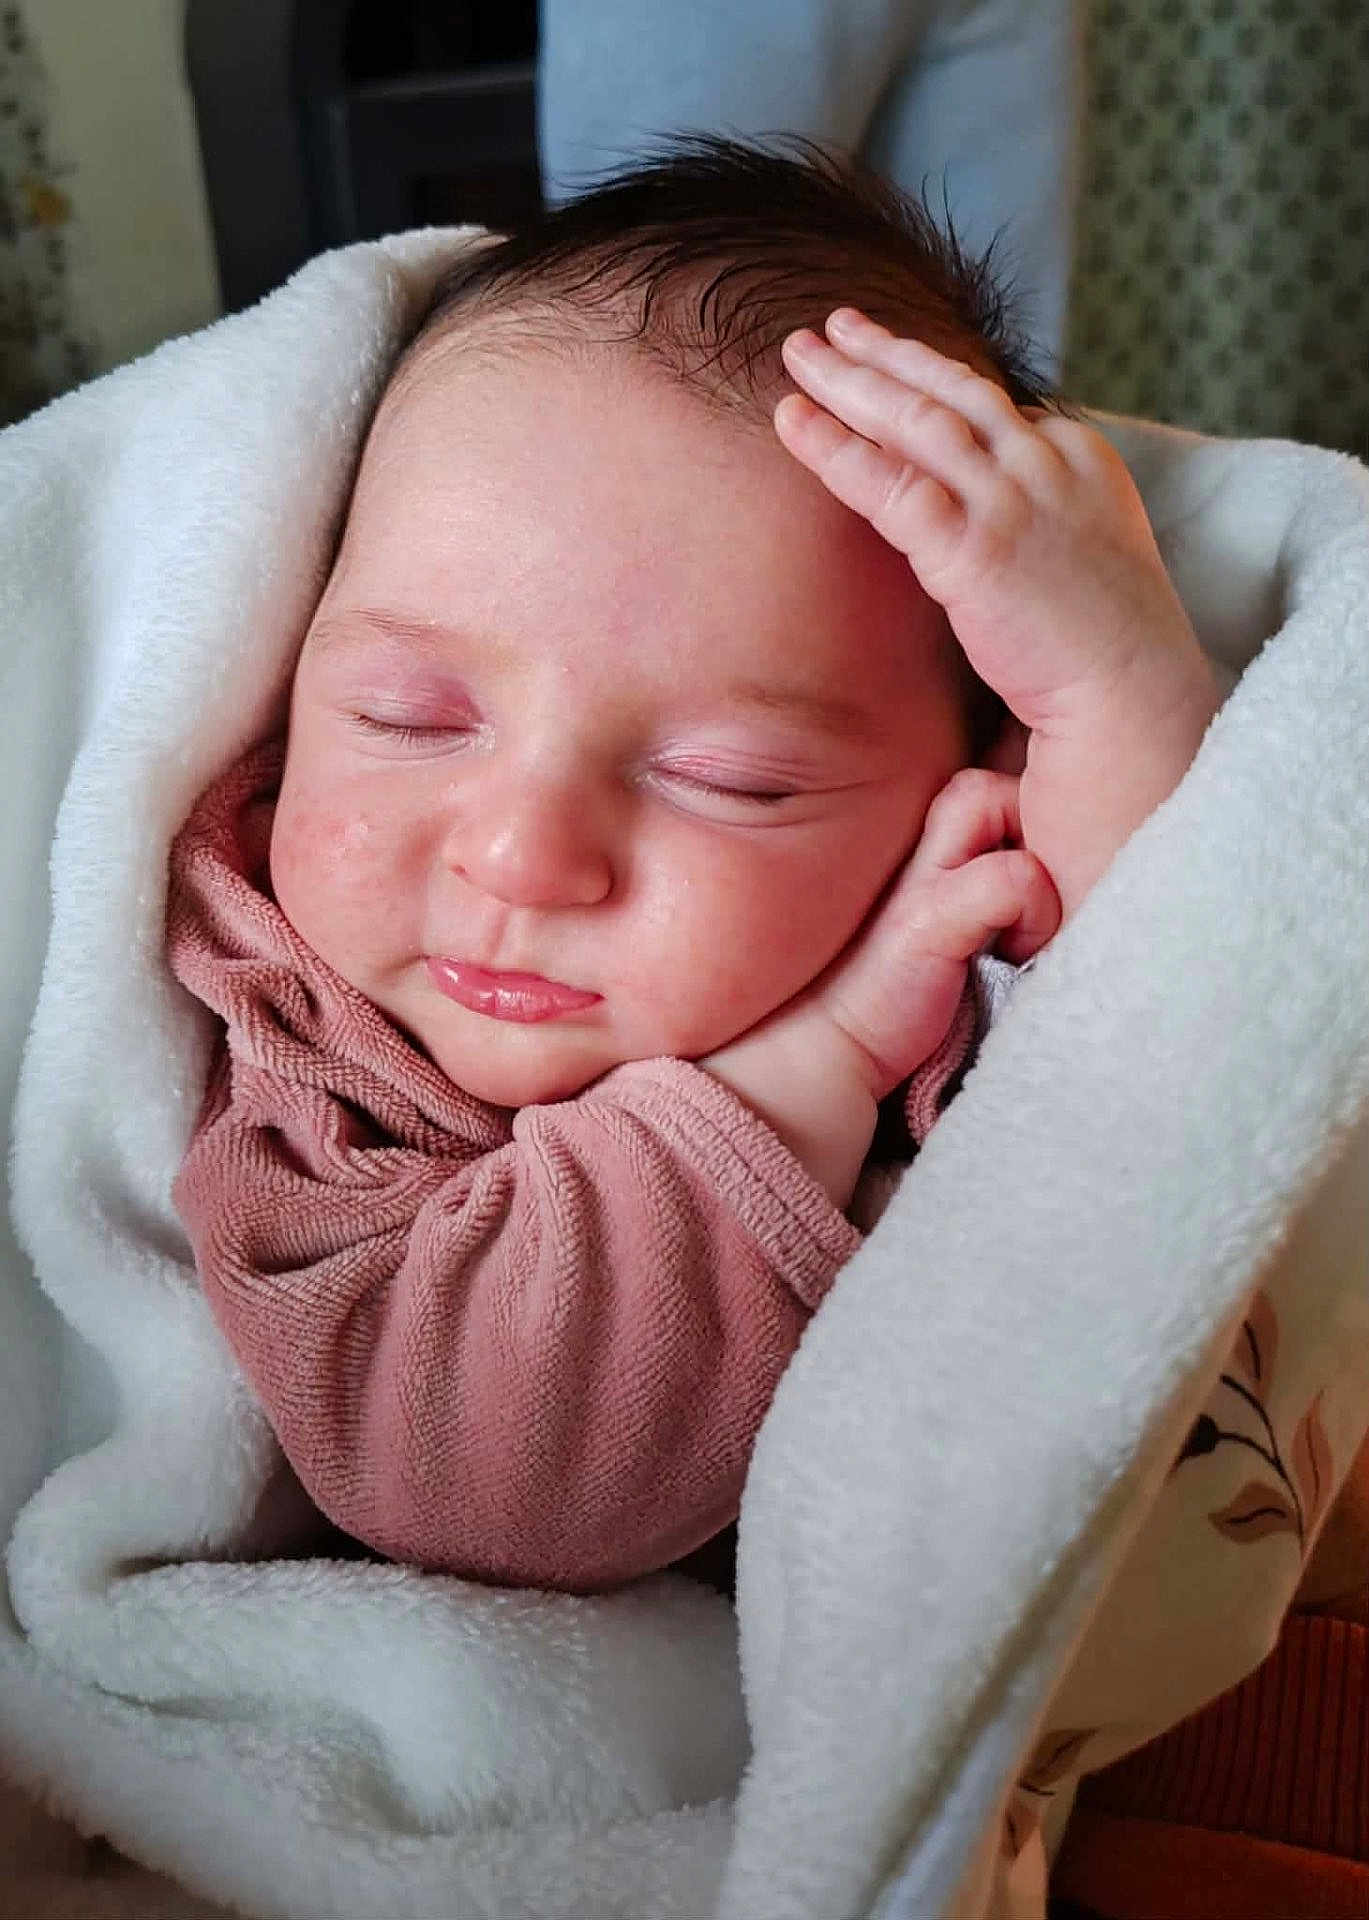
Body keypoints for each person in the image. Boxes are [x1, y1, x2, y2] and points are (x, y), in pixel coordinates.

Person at [166, 141, 1218, 1593]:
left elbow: (1194, 1019)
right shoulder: (315, 1046)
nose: (524, 858)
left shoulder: (950, 927)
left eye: (731, 780)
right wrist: (808, 1067)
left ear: (966, 784)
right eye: (410, 720)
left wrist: (1112, 690)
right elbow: (486, 1480)